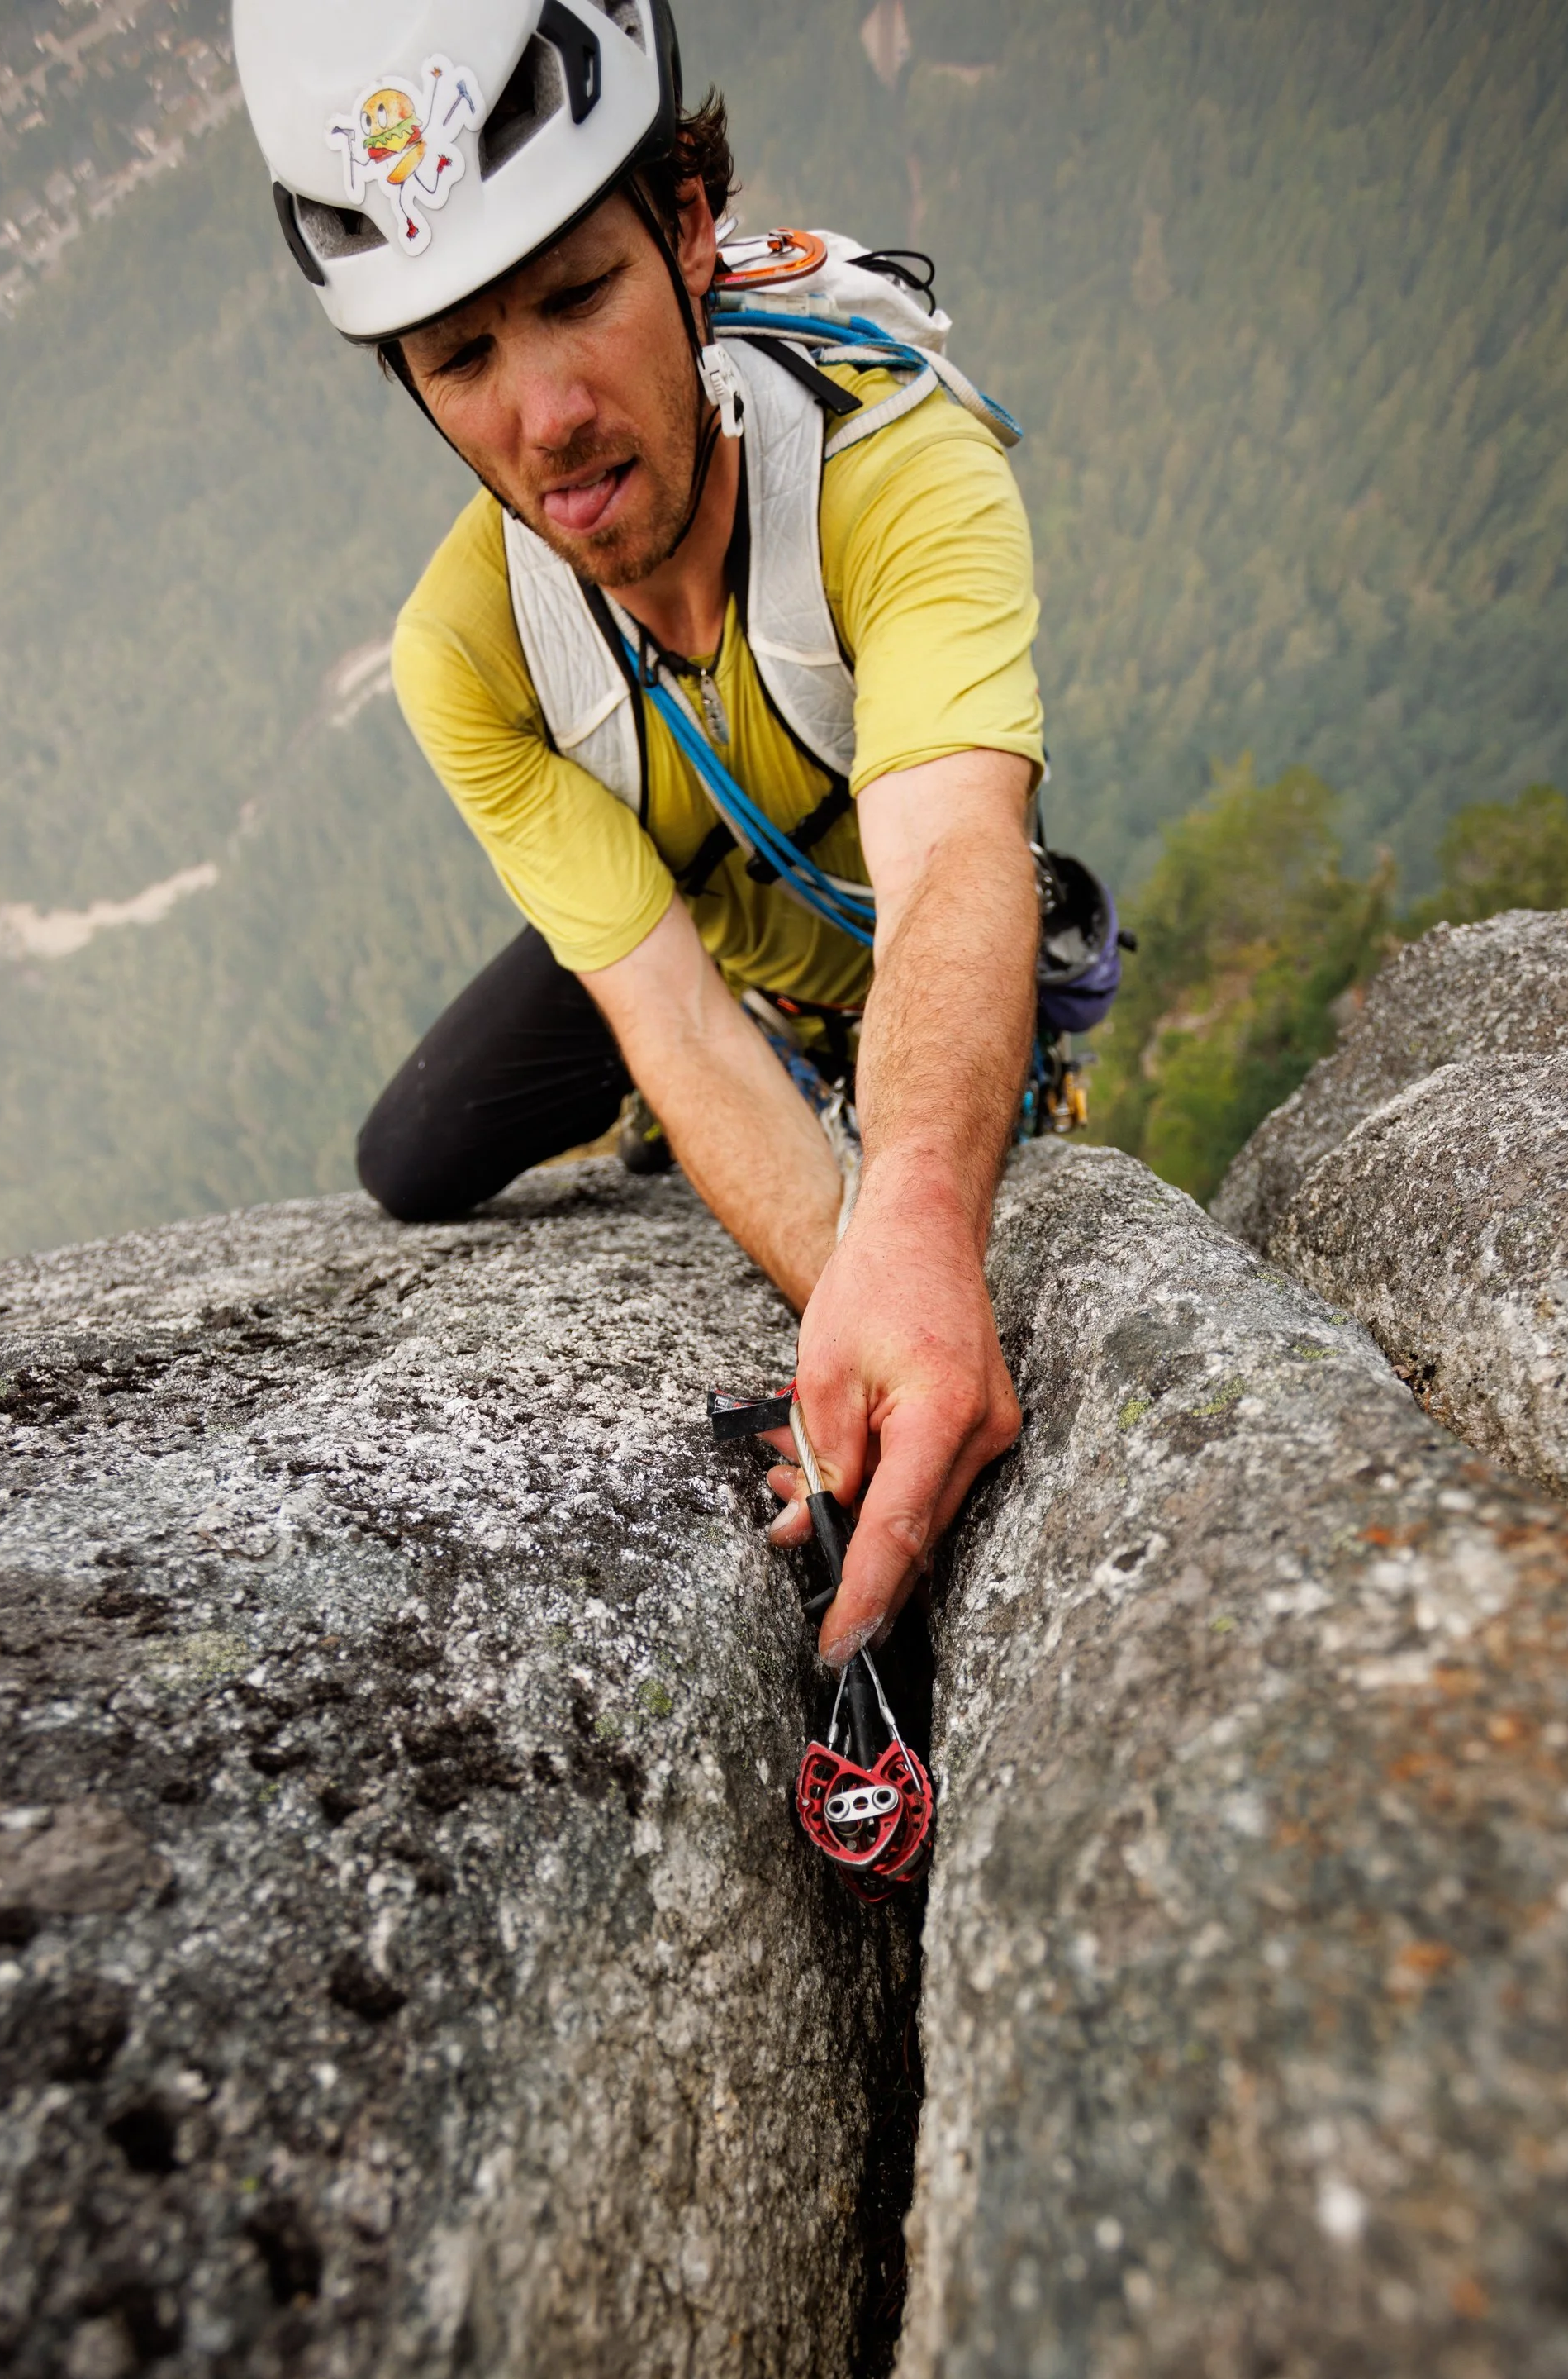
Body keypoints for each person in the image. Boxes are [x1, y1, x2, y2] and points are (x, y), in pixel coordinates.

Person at [231, 0, 1113, 1669]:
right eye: (459, 356)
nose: (544, 412)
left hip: (877, 947)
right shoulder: (470, 652)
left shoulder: (891, 464)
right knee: (407, 1164)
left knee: (948, 1134)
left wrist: (908, 1235)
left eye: (577, 296)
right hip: (684, 932)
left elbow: (944, 860)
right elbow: (670, 1017)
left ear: (690, 230)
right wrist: (843, 1305)